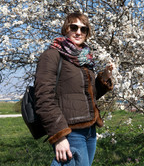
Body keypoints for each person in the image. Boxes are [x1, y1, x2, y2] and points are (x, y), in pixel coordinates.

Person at [34, 12, 114, 166]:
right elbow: (43, 97)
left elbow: (85, 96)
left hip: (89, 131)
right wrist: (59, 136)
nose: (78, 32)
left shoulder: (84, 58)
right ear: (66, 29)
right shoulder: (52, 55)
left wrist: (104, 77)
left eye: (83, 29)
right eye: (74, 27)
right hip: (70, 131)